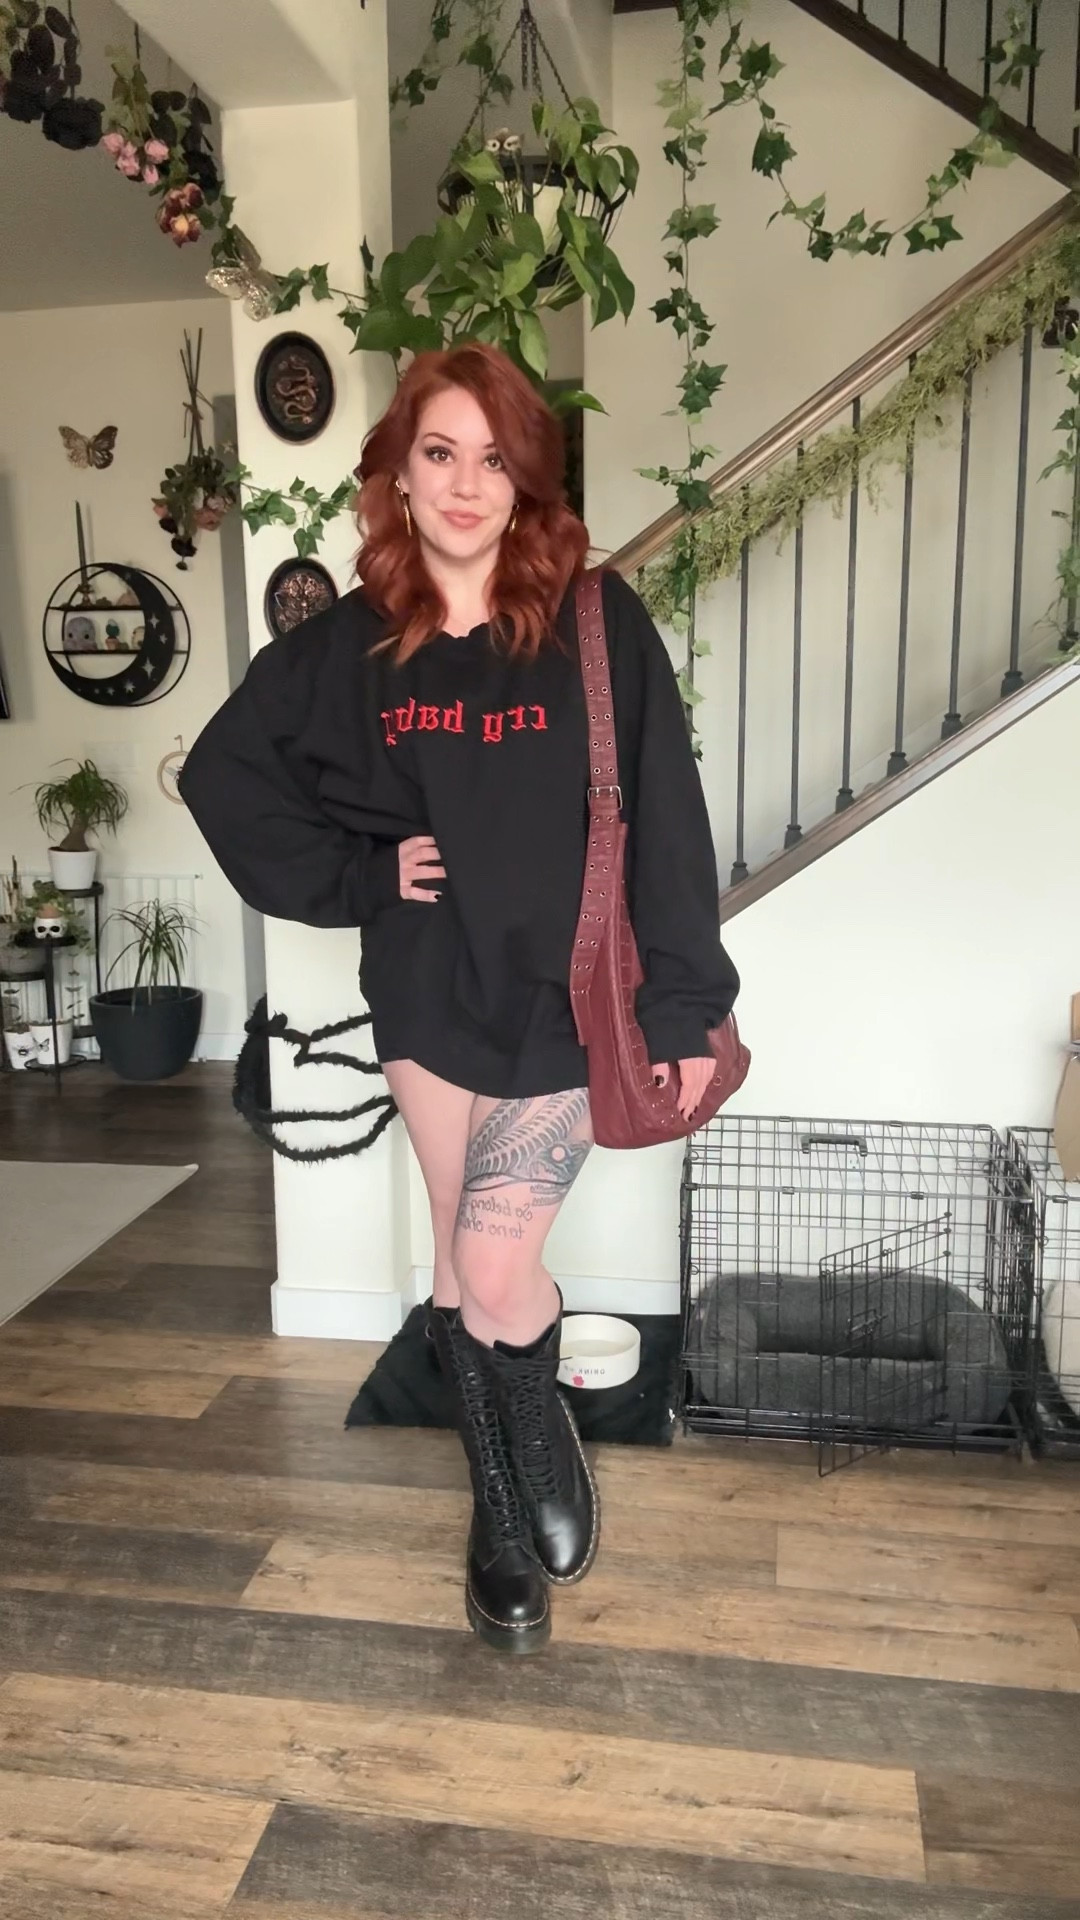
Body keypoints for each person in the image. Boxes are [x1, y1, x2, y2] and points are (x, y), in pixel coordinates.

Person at [179, 342, 740, 1656]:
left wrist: (684, 1003)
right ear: (399, 472)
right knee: (454, 1248)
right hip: (429, 987)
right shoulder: (354, 644)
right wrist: (360, 876)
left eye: (495, 458)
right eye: (440, 453)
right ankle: (498, 1515)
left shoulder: (595, 620)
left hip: (564, 996)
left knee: (495, 1261)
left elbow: (668, 817)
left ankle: (538, 1443)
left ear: (527, 478)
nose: (467, 484)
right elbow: (223, 775)